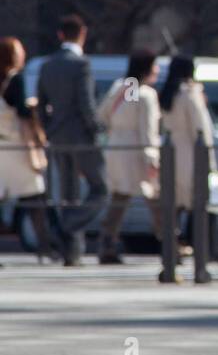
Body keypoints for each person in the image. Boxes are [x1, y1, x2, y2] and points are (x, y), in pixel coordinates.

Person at [37, 13, 108, 266]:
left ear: (60, 35)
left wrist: (50, 129)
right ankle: (65, 229)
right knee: (100, 189)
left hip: (57, 136)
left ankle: (72, 252)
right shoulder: (82, 65)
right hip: (82, 137)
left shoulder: (47, 65)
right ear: (83, 34)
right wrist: (98, 128)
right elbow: (86, 105)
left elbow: (41, 105)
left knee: (68, 194)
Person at [96, 51, 162, 264]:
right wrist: (152, 158)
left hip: (115, 148)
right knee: (155, 199)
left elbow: (103, 115)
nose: (158, 70)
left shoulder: (120, 87)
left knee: (119, 198)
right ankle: (170, 243)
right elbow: (147, 129)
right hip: (136, 151)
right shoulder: (145, 94)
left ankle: (107, 243)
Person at [159, 56, 218, 259]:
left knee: (173, 206)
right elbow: (201, 129)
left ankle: (172, 249)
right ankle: (204, 252)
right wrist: (210, 161)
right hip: (192, 156)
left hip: (170, 155)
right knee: (199, 205)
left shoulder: (167, 94)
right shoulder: (190, 93)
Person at [0, 36, 54, 262]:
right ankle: (45, 248)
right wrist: (32, 106)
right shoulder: (16, 80)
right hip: (16, 147)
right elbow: (22, 111)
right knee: (35, 196)